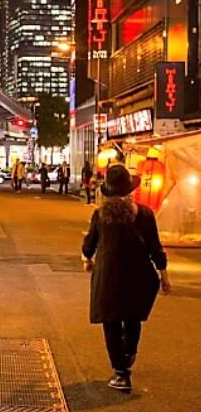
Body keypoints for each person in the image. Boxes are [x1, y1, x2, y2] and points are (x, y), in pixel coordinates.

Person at [81, 164, 171, 393]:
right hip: (138, 275)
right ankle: (129, 352)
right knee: (132, 318)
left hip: (109, 276)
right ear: (130, 189)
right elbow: (155, 248)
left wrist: (87, 260)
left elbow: (89, 245)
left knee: (111, 323)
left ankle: (121, 374)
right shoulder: (145, 213)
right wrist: (164, 275)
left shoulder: (100, 215)